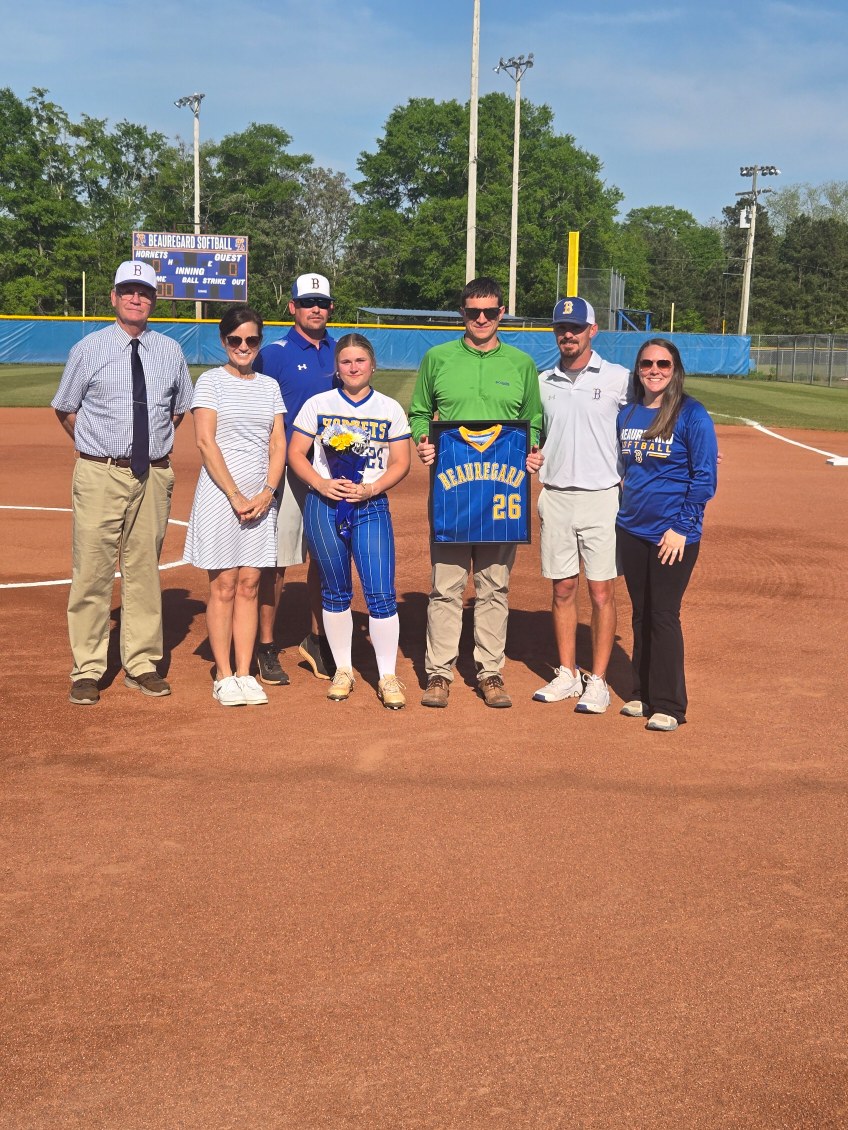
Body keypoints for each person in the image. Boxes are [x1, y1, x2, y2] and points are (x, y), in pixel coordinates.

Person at [52, 260, 193, 705]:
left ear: (154, 300)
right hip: (100, 471)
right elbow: (66, 409)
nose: (136, 298)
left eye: (145, 292)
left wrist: (146, 446)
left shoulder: (170, 350)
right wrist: (96, 449)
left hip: (152, 472)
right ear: (113, 297)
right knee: (92, 571)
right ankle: (88, 668)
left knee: (143, 570)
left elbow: (178, 408)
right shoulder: (88, 349)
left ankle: (142, 663)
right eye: (128, 291)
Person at [409, 277, 543, 709]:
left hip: (502, 494)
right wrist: (422, 440)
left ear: (502, 313)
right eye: (472, 312)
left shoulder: (521, 364)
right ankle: (439, 673)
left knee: (493, 587)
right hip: (451, 492)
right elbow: (419, 412)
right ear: (462, 314)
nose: (481, 319)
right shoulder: (438, 358)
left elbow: (533, 419)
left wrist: (532, 449)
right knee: (445, 587)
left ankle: (490, 672)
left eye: (489, 311)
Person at [287, 333, 412, 708]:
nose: (353, 368)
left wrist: (371, 490)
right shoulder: (318, 404)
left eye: (360, 361)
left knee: (380, 593)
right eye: (345, 362)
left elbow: (401, 462)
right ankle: (343, 668)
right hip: (324, 505)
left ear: (372, 365)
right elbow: (296, 453)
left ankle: (387, 675)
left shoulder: (389, 408)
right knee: (335, 590)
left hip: (370, 506)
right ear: (336, 368)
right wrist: (323, 484)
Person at [533, 297, 632, 714]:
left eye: (576, 327)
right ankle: (568, 673)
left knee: (602, 590)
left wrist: (695, 446)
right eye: (561, 328)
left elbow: (659, 413)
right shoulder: (542, 381)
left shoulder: (619, 378)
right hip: (555, 495)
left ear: (593, 330)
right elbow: (531, 433)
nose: (568, 334)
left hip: (602, 497)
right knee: (563, 588)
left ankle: (599, 680)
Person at [183, 307, 286, 706]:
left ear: (259, 342)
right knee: (224, 585)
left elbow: (277, 443)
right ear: (223, 342)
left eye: (252, 340)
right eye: (235, 340)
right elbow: (206, 442)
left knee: (250, 584)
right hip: (220, 496)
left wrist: (268, 491)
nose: (244, 347)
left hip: (261, 497)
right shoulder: (210, 382)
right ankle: (223, 674)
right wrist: (236, 496)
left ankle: (246, 672)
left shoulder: (269, 386)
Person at [616, 338, 718, 732]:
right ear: (638, 369)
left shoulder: (691, 414)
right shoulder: (628, 414)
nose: (654, 370)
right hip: (631, 528)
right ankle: (642, 692)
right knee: (641, 614)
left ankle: (670, 704)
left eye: (663, 363)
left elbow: (705, 477)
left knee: (663, 615)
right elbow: (629, 468)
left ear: (675, 369)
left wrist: (682, 527)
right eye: (646, 364)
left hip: (673, 534)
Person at [254, 272, 338, 686]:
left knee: (325, 558)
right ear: (292, 308)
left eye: (322, 302)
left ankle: (317, 640)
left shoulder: (342, 352)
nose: (316, 309)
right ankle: (266, 646)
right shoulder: (274, 353)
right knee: (278, 562)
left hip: (331, 473)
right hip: (287, 472)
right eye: (307, 302)